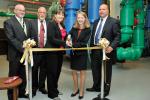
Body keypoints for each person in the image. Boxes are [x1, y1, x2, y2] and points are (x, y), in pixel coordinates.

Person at [86, 3, 120, 100]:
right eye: (100, 9)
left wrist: (112, 47)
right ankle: (96, 86)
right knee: (95, 69)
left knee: (106, 71)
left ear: (108, 11)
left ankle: (105, 90)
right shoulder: (96, 21)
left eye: (103, 9)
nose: (101, 11)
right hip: (95, 49)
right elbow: (94, 35)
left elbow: (118, 36)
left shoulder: (113, 22)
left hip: (106, 51)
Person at [4, 4, 31, 99]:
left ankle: (22, 93)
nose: (22, 12)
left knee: (23, 74)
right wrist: (22, 47)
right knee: (13, 76)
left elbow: (29, 36)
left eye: (23, 10)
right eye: (19, 10)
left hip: (25, 54)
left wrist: (31, 43)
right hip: (15, 54)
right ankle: (11, 96)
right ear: (14, 11)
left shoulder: (27, 22)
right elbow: (11, 38)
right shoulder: (8, 22)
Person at [66, 11, 91, 99]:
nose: (80, 19)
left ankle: (81, 91)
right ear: (77, 19)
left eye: (82, 18)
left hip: (82, 54)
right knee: (73, 72)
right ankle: (76, 89)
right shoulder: (74, 27)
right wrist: (68, 38)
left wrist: (73, 44)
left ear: (85, 19)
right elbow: (69, 34)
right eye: (78, 18)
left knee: (82, 72)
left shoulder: (88, 29)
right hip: (74, 53)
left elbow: (84, 43)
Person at [45, 7, 67, 100]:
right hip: (52, 52)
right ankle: (52, 94)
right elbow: (52, 38)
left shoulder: (62, 25)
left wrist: (67, 40)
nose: (61, 16)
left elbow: (63, 37)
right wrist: (64, 43)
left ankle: (55, 89)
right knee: (52, 73)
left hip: (60, 52)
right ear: (55, 15)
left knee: (57, 72)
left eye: (62, 14)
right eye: (59, 14)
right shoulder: (51, 24)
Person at [30, 7, 48, 96]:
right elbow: (28, 36)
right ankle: (34, 88)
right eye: (40, 12)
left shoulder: (49, 23)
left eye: (44, 12)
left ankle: (42, 87)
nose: (42, 14)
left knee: (44, 70)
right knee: (34, 70)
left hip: (46, 51)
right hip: (35, 51)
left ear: (46, 14)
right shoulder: (31, 23)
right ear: (37, 13)